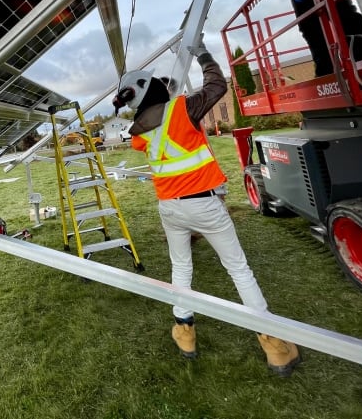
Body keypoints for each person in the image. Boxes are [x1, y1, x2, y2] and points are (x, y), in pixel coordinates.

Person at [112, 43, 301, 377]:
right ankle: (274, 345)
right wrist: (202, 55)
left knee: (181, 268)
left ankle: (185, 332)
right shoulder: (183, 109)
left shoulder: (140, 134)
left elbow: (157, 115)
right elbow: (217, 87)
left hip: (170, 209)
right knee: (239, 269)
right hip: (204, 205)